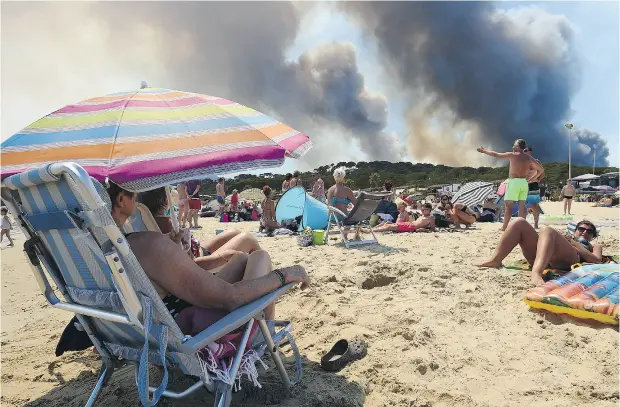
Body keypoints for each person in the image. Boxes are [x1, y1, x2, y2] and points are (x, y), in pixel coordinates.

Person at [477, 218, 602, 285]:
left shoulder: (595, 245)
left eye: (590, 231)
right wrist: (560, 237)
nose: (585, 232)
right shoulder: (566, 236)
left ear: (593, 236)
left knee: (547, 230)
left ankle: (536, 273)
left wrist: (573, 243)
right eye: (581, 229)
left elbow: (596, 260)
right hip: (544, 256)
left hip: (570, 259)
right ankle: (495, 260)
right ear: (575, 230)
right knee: (520, 222)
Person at [477, 139, 544, 231]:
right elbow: (541, 170)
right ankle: (522, 227)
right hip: (524, 182)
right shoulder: (529, 158)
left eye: (514, 145)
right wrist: (532, 178)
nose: (512, 147)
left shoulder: (512, 155)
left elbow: (496, 154)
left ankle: (504, 227)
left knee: (509, 206)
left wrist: (484, 151)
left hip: (514, 182)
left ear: (517, 147)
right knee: (522, 205)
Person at [523, 146, 544, 229]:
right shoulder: (521, 161)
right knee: (522, 203)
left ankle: (536, 223)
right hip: (523, 184)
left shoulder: (536, 161)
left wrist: (537, 179)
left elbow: (542, 173)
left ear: (530, 152)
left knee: (534, 205)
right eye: (523, 150)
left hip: (533, 184)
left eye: (525, 150)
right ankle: (523, 222)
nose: (523, 152)